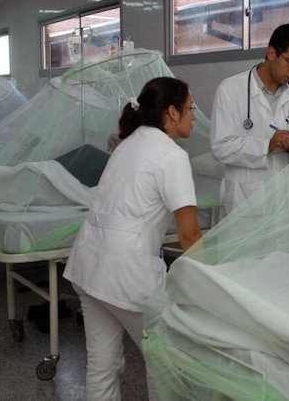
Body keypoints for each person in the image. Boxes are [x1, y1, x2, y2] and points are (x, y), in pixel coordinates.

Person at [62, 77, 203, 400]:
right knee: (164, 361)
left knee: (102, 365)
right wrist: (209, 282)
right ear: (171, 113)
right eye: (190, 108)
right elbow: (189, 232)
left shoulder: (128, 143)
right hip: (125, 274)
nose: (194, 115)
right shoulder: (171, 156)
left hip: (88, 265)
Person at [210, 23, 289, 214]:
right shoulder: (230, 90)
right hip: (246, 202)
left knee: (288, 243)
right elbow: (221, 147)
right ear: (271, 53)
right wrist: (267, 146)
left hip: (288, 201)